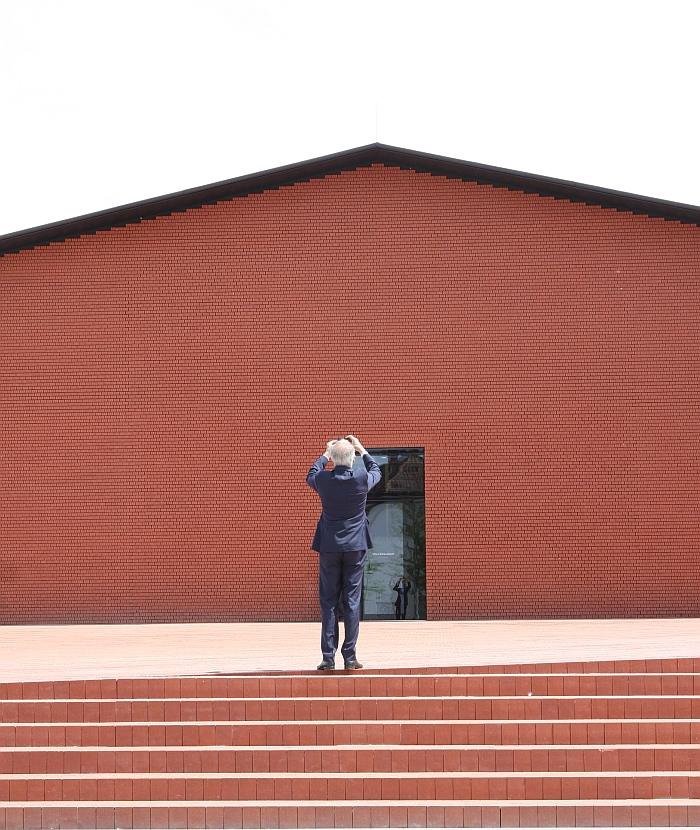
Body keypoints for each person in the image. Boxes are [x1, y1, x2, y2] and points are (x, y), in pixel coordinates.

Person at [306, 435, 381, 670]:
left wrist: (326, 454)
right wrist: (362, 450)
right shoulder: (360, 478)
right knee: (351, 601)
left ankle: (328, 658)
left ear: (334, 460)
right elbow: (376, 471)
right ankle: (349, 656)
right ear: (351, 460)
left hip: (329, 546)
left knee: (328, 601)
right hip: (355, 546)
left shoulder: (323, 480)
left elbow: (311, 474)